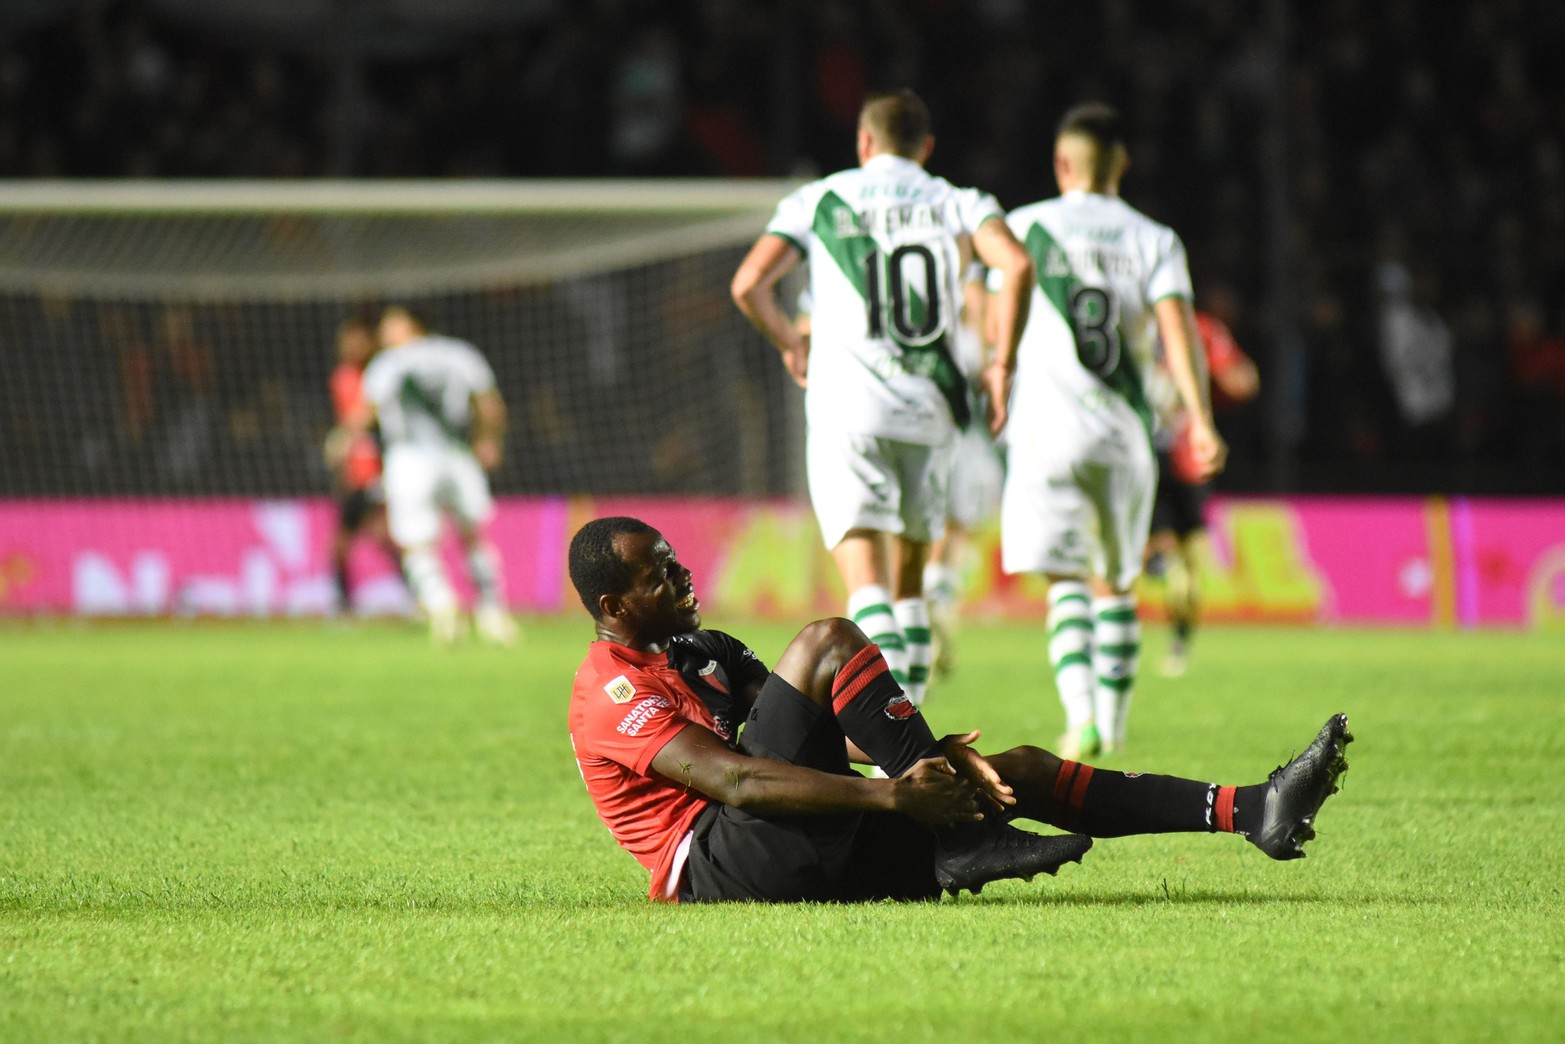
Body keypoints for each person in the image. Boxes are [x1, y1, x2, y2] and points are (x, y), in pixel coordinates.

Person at [567, 516, 1352, 904]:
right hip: (719, 866)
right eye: (658, 575)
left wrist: (927, 755)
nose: (682, 576)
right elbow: (734, 782)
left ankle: (1252, 809)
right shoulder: (608, 691)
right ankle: (966, 837)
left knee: (1015, 770)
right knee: (828, 638)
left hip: (795, 838)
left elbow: (824, 729)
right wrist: (894, 794)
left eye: (675, 560)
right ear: (613, 606)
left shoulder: (702, 649)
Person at [731, 88, 1034, 709]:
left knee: (867, 584)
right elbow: (1017, 265)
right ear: (926, 147)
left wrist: (790, 342)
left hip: (849, 407)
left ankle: (894, 733)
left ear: (864, 141)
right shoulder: (960, 202)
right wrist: (1002, 361)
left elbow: (749, 284)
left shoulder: (820, 199)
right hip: (931, 408)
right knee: (911, 586)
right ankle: (911, 725)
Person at [988, 102, 1226, 759]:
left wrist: (995, 370)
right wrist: (1201, 420)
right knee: (1116, 583)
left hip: (1044, 432)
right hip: (1124, 436)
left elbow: (987, 310)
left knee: (1064, 581)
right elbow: (1178, 333)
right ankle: (1114, 729)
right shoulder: (1154, 239)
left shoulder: (1022, 227)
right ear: (1121, 163)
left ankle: (1080, 719)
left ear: (1061, 163)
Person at [355, 305, 517, 646]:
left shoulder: (387, 363)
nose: (384, 332)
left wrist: (342, 438)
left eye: (390, 324)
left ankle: (442, 606)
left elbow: (366, 411)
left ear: (410, 325)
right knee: (473, 535)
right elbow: (490, 406)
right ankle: (492, 613)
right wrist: (488, 441)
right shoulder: (460, 353)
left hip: (409, 458)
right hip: (457, 455)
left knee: (416, 543)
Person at [1146, 304, 1260, 677]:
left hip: (1175, 456)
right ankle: (1159, 563)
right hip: (1160, 455)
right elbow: (1243, 381)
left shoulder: (1197, 328)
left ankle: (1164, 577)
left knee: (1185, 557)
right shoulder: (1194, 327)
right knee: (1177, 552)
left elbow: (1241, 379)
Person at [322, 315, 403, 613]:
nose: (349, 345)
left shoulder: (381, 375)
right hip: (354, 475)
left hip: (378, 471)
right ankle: (343, 605)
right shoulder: (341, 377)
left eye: (356, 339)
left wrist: (346, 438)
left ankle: (421, 594)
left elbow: (368, 421)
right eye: (345, 340)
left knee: (384, 536)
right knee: (341, 546)